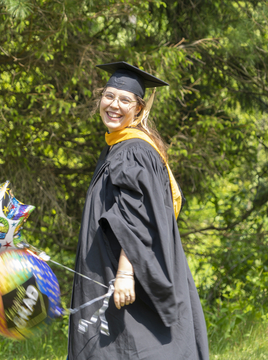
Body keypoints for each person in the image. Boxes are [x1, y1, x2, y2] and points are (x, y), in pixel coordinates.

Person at [67, 61, 209, 359]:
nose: (114, 105)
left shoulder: (133, 150)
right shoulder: (118, 147)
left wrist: (125, 273)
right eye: (109, 96)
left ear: (139, 109)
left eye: (125, 100)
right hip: (111, 271)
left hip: (124, 275)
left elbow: (137, 216)